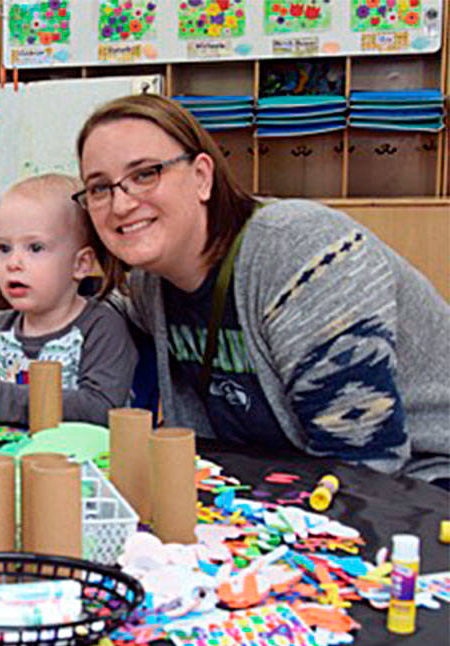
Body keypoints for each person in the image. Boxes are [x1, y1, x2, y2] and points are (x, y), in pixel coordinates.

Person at [74, 93, 450, 482]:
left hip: (422, 480)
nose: (120, 205)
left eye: (145, 174)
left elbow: (362, 462)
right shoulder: (149, 286)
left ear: (202, 177)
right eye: (99, 188)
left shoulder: (301, 251)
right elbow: (92, 307)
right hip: (279, 481)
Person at [0, 173, 136, 428]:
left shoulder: (102, 327)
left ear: (81, 264)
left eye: (35, 248)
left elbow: (102, 408)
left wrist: (7, 400)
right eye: (4, 248)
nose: (13, 263)